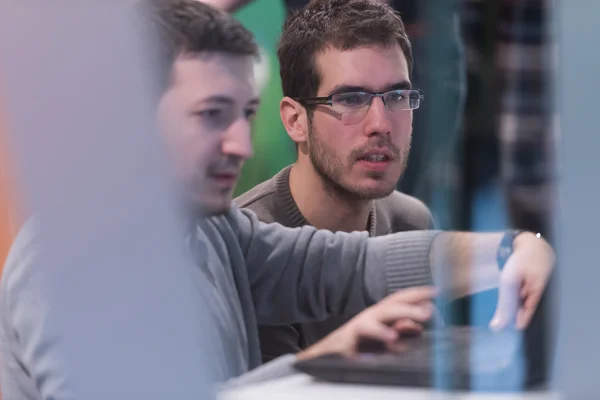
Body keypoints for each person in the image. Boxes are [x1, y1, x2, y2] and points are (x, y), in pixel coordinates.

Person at [0, 1, 554, 398]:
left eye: (243, 114)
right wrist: (308, 367)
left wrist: (508, 249)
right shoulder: (68, 257)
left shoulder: (209, 227)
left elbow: (343, 264)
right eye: (211, 114)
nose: (241, 145)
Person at [232, 0, 547, 362]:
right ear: (294, 120)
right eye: (350, 99)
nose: (380, 123)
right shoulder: (248, 244)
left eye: (397, 96)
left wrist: (522, 246)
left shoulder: (409, 220)